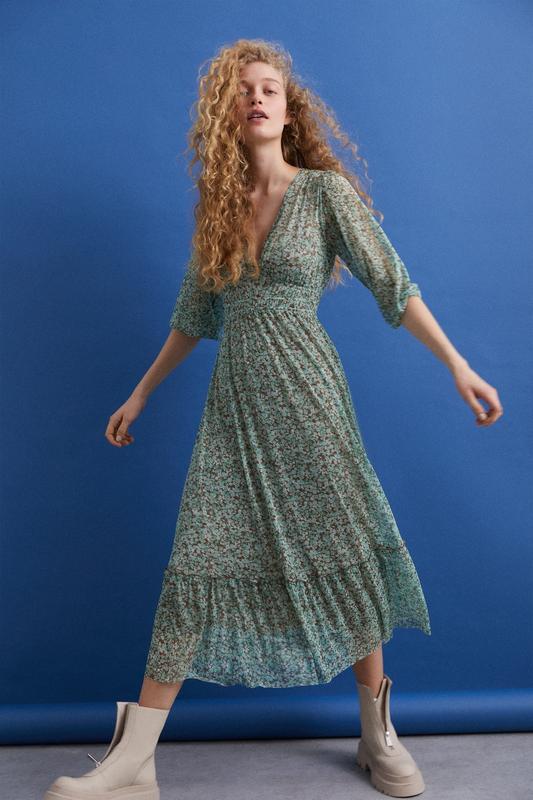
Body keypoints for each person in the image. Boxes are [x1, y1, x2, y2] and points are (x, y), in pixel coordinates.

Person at [44, 38, 503, 800]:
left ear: (289, 112)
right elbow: (194, 315)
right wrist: (141, 392)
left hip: (310, 396)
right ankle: (134, 758)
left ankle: (376, 735)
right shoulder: (218, 210)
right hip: (234, 410)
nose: (256, 98)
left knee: (345, 548)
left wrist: (457, 364)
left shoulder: (323, 194)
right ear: (225, 113)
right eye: (242, 90)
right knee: (194, 561)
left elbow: (393, 285)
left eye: (268, 89)